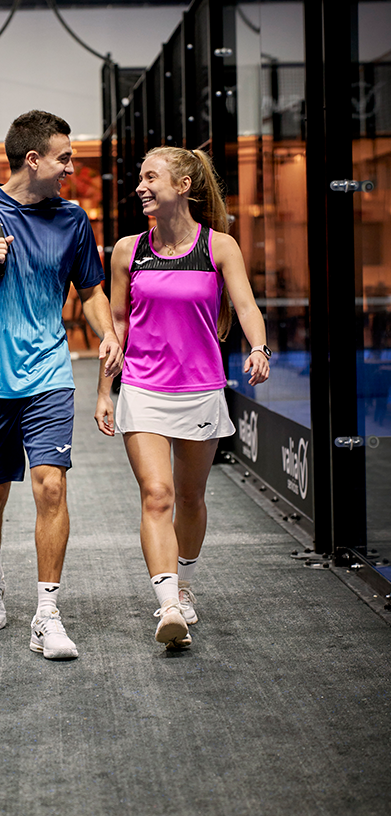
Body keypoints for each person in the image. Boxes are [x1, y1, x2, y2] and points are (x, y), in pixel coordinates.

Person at [0, 110, 123, 660]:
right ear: (32, 160)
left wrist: (107, 332)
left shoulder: (73, 221)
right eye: (63, 157)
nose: (71, 167)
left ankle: (47, 614)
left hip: (50, 374)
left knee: (51, 488)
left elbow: (92, 290)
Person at [94, 146, 270, 650]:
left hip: (200, 391)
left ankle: (185, 582)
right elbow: (119, 325)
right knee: (158, 495)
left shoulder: (220, 247)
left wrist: (259, 346)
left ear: (184, 186)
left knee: (190, 498)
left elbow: (245, 305)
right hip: (143, 389)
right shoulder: (128, 249)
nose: (140, 187)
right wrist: (105, 390)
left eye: (151, 178)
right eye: (140, 178)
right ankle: (168, 602)